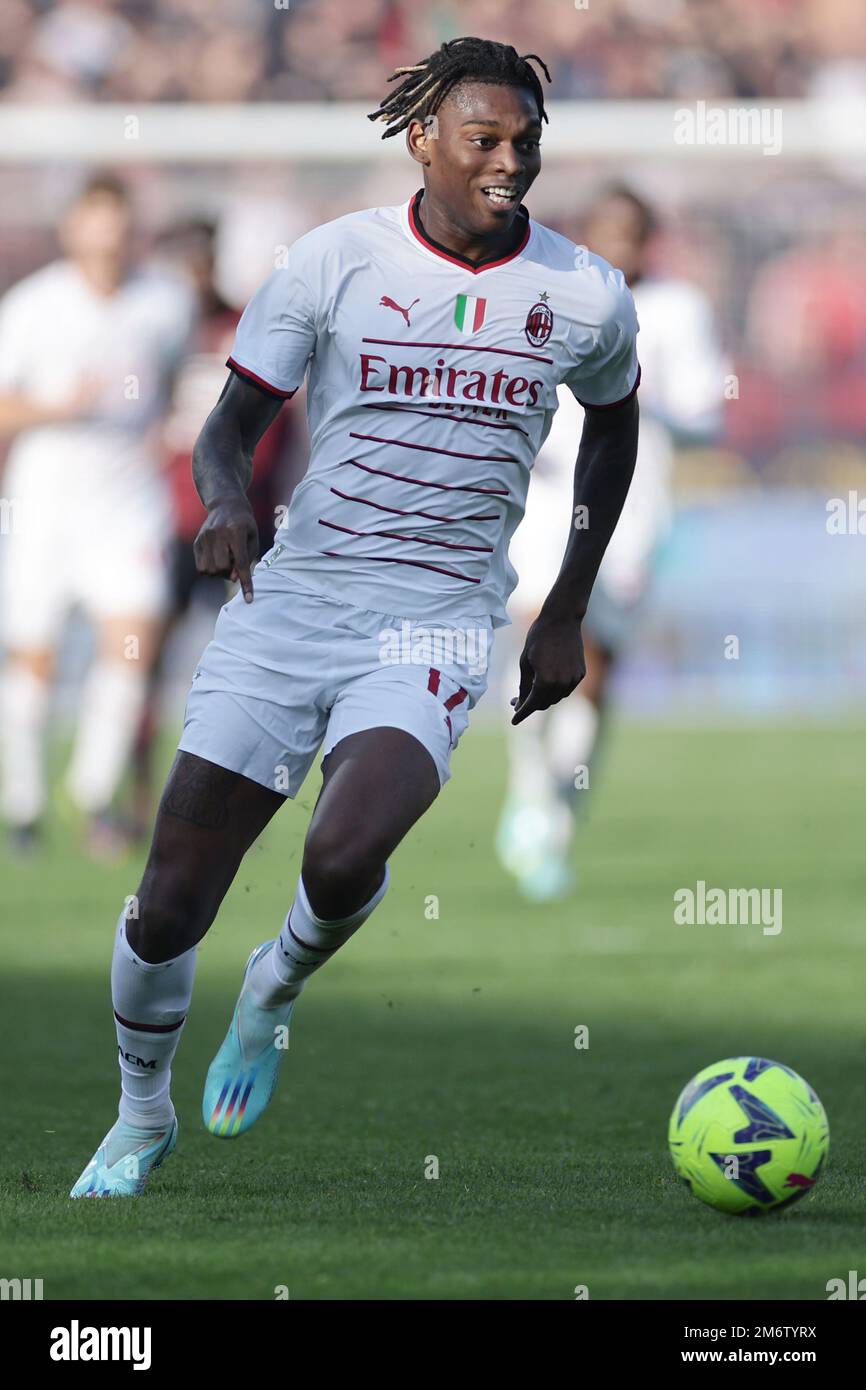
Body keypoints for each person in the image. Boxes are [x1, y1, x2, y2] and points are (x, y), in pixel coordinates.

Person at [70, 36, 640, 1198]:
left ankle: (273, 987)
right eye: (484, 139)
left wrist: (561, 608)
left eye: (526, 141)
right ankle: (139, 1116)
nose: (510, 162)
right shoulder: (332, 262)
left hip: (434, 621)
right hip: (291, 608)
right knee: (171, 896)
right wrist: (225, 506)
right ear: (421, 137)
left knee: (342, 848)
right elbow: (229, 427)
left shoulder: (581, 291)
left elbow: (613, 431)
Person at [498, 185, 725, 899]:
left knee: (595, 666)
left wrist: (637, 394)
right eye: (606, 230)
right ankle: (530, 790)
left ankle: (558, 813)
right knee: (537, 634)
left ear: (649, 238)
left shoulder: (678, 310)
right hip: (546, 495)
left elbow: (705, 417)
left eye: (631, 232)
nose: (617, 244)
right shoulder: (551, 296)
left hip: (630, 500)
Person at [0, 175, 194, 858]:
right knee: (35, 659)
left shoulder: (165, 301)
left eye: (119, 222)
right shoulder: (34, 308)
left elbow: (172, 382)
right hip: (46, 502)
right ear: (72, 230)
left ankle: (92, 794)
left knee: (130, 643)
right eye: (96, 222)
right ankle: (22, 805)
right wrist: (57, 406)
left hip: (126, 502)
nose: (108, 236)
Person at [128, 219, 298, 839]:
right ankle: (137, 796)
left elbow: (281, 425)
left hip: (247, 526)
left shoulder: (245, 327)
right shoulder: (152, 334)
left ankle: (243, 803)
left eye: (199, 260)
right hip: (170, 523)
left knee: (259, 669)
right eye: (179, 261)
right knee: (144, 660)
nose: (189, 274)